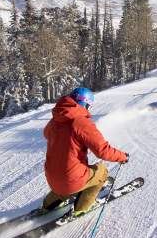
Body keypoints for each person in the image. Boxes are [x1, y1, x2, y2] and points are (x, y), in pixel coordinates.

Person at [42, 87, 129, 216]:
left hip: (52, 177)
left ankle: (48, 204)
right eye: (89, 106)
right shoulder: (81, 122)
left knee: (70, 173)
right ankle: (81, 208)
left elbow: (46, 133)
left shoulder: (54, 120)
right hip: (70, 180)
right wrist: (122, 156)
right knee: (101, 171)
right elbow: (102, 151)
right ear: (85, 104)